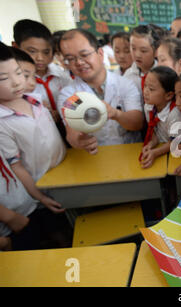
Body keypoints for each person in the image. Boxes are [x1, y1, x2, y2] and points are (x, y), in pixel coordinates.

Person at [0, 42, 66, 215]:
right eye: (3, 78)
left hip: (65, 173)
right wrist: (40, 197)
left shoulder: (36, 101)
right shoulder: (3, 121)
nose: (16, 82)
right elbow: (16, 166)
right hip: (41, 188)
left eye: (19, 73)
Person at [57, 29, 144, 154]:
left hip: (130, 153)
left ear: (100, 53)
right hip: (96, 157)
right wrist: (79, 141)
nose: (79, 62)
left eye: (84, 55)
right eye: (70, 59)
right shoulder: (70, 95)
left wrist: (116, 114)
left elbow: (137, 123)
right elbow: (71, 131)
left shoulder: (124, 84)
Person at [12, 19, 72, 124]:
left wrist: (63, 112)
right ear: (16, 47)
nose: (40, 58)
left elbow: (73, 99)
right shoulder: (13, 82)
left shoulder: (62, 76)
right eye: (32, 51)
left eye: (46, 52)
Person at [140, 66, 181, 169]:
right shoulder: (149, 107)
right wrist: (151, 144)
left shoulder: (174, 114)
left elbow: (177, 142)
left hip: (177, 154)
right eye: (145, 86)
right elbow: (156, 132)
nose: (145, 91)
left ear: (169, 95)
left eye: (151, 89)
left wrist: (156, 152)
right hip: (162, 150)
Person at [124, 25, 159, 98]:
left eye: (143, 51)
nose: (137, 55)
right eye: (133, 48)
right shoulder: (127, 76)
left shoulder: (162, 75)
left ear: (156, 51)